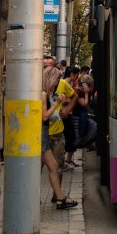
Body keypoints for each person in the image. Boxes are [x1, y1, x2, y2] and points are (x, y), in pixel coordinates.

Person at [40, 77, 77, 209]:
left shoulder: (54, 88)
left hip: (50, 134)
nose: (56, 85)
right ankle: (58, 197)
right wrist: (57, 102)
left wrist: (65, 110)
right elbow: (44, 116)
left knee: (55, 165)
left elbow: (74, 96)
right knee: (47, 167)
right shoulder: (42, 93)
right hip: (41, 135)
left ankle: (59, 197)